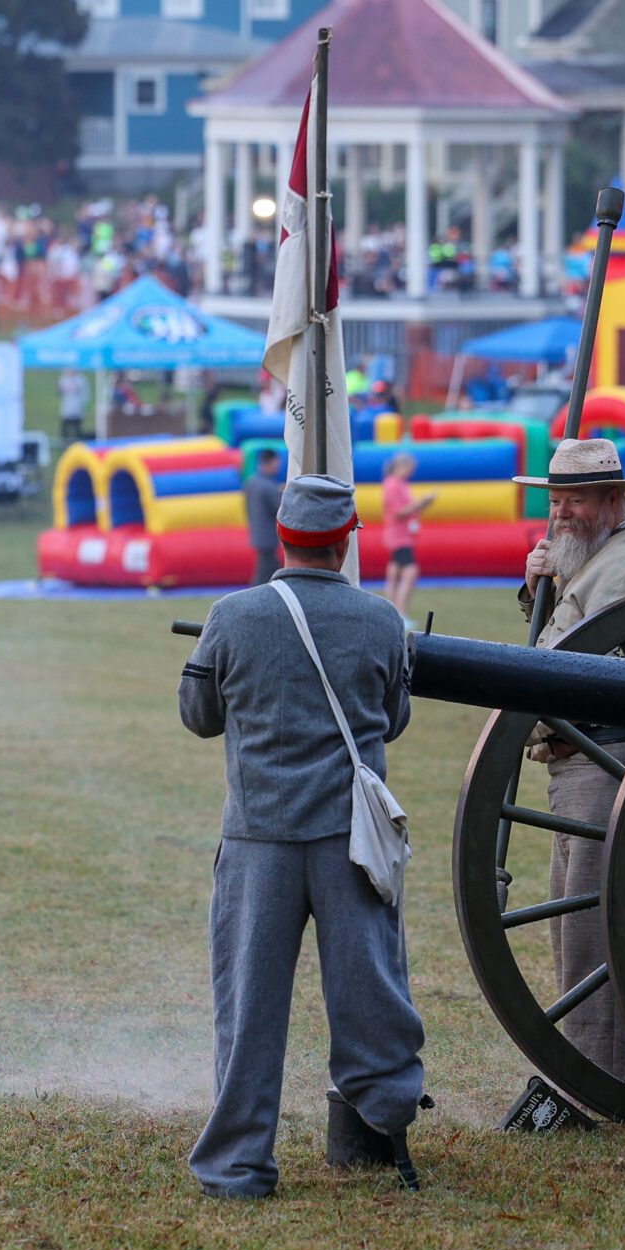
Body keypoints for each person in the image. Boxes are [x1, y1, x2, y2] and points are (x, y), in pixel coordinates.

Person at [178, 474, 424, 1198]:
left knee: (248, 1012)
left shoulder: (232, 614)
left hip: (259, 836)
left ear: (282, 536)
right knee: (372, 994)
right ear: (346, 541)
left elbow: (197, 715)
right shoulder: (382, 620)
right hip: (351, 839)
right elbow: (394, 719)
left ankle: (238, 1165)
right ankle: (386, 1120)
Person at [510, 439, 625, 1081]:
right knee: (570, 922)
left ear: (613, 500)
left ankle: (600, 1076)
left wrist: (519, 721)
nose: (560, 513)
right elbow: (561, 639)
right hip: (580, 760)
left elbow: (584, 669)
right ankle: (600, 1070)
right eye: (555, 500)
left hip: (612, 760)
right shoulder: (593, 558)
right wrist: (538, 589)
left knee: (589, 927)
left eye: (574, 500)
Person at [379, 451, 435, 614]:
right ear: (400, 466)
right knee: (410, 571)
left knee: (395, 571)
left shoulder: (400, 484)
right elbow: (399, 512)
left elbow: (407, 510)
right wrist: (421, 502)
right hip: (398, 536)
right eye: (410, 467)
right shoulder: (392, 484)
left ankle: (396, 611)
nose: (412, 471)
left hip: (404, 535)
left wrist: (422, 505)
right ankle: (401, 611)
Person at [242, 447, 284, 584]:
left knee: (268, 570)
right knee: (266, 573)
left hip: (257, 534)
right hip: (268, 536)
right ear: (271, 463)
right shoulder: (268, 486)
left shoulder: (251, 483)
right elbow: (279, 509)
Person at [58, 368, 90, 444]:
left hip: (77, 410)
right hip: (66, 409)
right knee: (64, 429)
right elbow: (60, 392)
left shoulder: (81, 380)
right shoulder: (64, 378)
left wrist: (83, 407)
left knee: (77, 430)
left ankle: (78, 444)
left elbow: (85, 395)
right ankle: (64, 445)